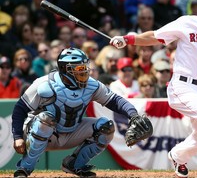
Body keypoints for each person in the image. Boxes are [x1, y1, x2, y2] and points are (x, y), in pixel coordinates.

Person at [110, 0, 197, 178]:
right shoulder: (188, 23)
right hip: (183, 85)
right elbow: (156, 36)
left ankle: (177, 155)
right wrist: (128, 39)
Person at [12, 47, 152, 177]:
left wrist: (133, 115)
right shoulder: (43, 84)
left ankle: (74, 165)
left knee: (106, 127)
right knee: (46, 119)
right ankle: (24, 168)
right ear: (65, 69)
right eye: (79, 67)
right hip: (39, 132)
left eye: (85, 66)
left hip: (71, 131)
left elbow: (115, 101)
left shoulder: (91, 85)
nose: (84, 71)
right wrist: (17, 137)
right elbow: (20, 109)